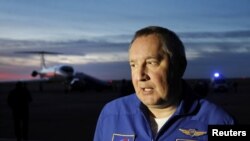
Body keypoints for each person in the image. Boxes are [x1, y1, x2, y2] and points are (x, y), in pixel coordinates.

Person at [94, 26, 235, 141]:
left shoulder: (220, 122)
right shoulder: (111, 115)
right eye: (133, 65)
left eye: (151, 63)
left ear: (179, 67)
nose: (140, 76)